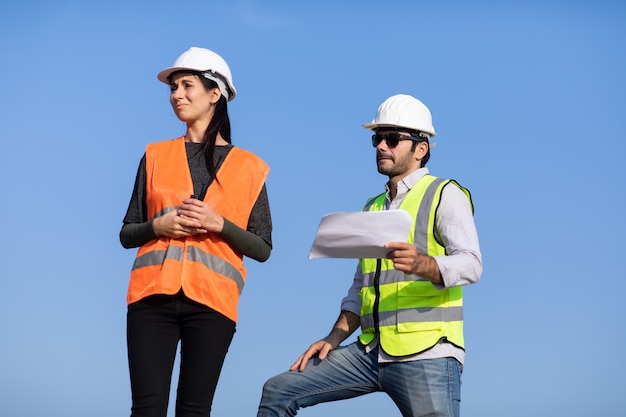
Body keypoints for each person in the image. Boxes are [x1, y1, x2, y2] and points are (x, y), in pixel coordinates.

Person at [257, 94, 482, 417]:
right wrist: (334, 337)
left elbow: (472, 264)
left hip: (427, 354)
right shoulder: (373, 206)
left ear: (421, 148)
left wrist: (423, 264)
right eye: (378, 139)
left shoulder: (445, 194)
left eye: (392, 139)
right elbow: (362, 285)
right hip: (369, 352)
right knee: (278, 391)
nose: (381, 146)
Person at [120, 46, 272, 417]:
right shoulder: (155, 155)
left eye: (187, 85)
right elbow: (127, 233)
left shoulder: (250, 168)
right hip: (151, 298)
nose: (177, 95)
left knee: (194, 410)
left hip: (213, 304)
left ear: (214, 93)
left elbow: (263, 247)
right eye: (173, 88)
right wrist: (157, 225)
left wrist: (219, 224)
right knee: (147, 409)